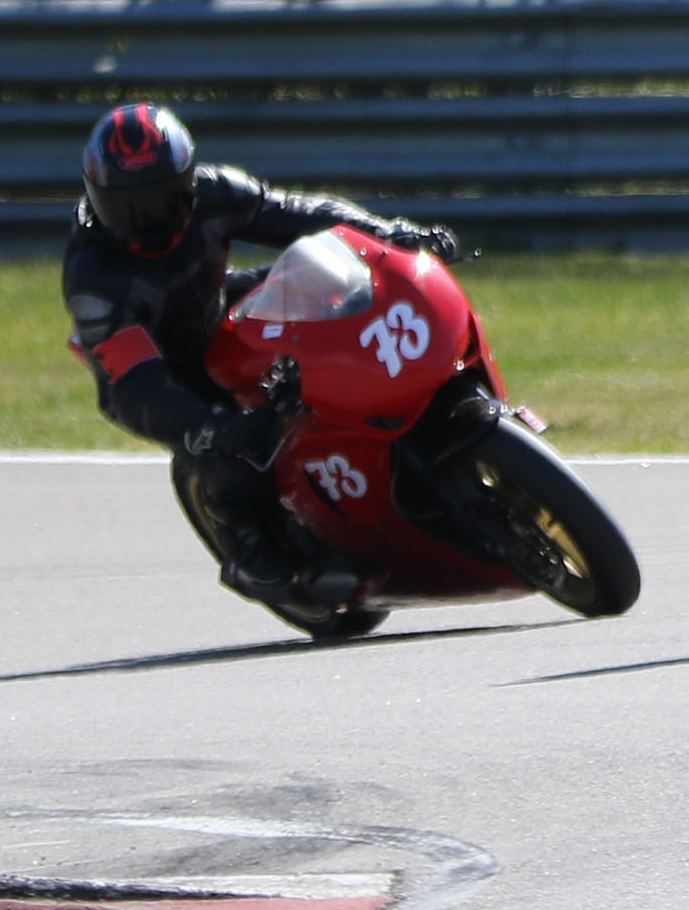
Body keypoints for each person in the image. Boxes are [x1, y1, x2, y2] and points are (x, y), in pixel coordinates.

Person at [62, 101, 460, 608]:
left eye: (161, 197)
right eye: (127, 205)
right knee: (223, 444)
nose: (147, 219)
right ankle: (250, 551)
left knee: (327, 283)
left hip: (217, 308)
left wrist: (385, 231)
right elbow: (133, 384)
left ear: (186, 181)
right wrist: (210, 426)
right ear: (96, 196)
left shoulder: (215, 193)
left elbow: (300, 214)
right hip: (163, 369)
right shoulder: (92, 274)